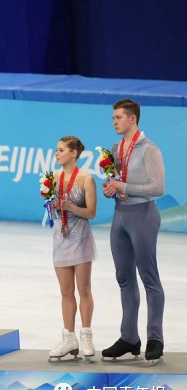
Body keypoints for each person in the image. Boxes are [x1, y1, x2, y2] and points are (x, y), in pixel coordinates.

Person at [101, 98, 166, 363]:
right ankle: (129, 337)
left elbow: (158, 188)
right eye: (113, 118)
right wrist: (110, 188)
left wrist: (124, 188)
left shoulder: (149, 149)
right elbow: (116, 181)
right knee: (124, 278)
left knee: (149, 277)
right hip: (120, 217)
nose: (114, 122)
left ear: (132, 119)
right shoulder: (117, 148)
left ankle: (155, 338)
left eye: (118, 117)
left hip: (143, 216)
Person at [47, 136, 97, 361]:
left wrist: (72, 207)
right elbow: (54, 209)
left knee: (83, 289)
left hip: (81, 238)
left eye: (61, 150)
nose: (56, 154)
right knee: (66, 292)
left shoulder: (86, 179)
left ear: (73, 153)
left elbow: (91, 213)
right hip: (61, 238)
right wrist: (56, 207)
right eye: (56, 150)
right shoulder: (53, 178)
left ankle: (86, 335)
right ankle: (69, 339)